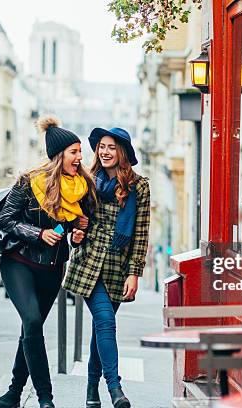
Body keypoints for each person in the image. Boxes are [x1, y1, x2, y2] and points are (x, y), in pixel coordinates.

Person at [0, 116, 95, 408]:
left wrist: (76, 234)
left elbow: (75, 229)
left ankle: (13, 393)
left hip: (52, 268)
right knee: (32, 320)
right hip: (19, 261)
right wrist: (39, 233)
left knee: (31, 330)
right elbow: (6, 220)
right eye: (74, 152)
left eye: (80, 152)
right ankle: (45, 397)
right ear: (59, 155)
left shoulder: (82, 186)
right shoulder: (29, 181)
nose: (79, 157)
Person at [63, 127, 150, 408]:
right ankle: (115, 388)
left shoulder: (139, 187)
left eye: (111, 147)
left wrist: (135, 272)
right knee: (105, 322)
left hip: (117, 267)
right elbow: (75, 219)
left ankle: (91, 389)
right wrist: (75, 234)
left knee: (101, 329)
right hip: (88, 264)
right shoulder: (87, 182)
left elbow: (140, 233)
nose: (105, 151)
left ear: (122, 151)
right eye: (101, 146)